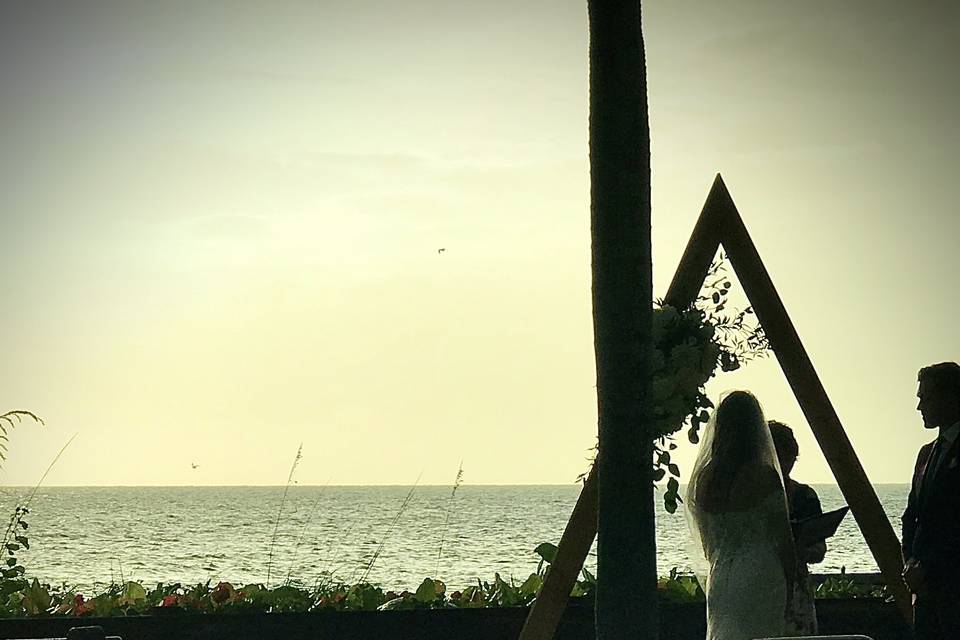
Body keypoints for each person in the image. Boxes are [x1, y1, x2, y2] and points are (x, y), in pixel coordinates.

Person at [685, 391, 797, 640]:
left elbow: (707, 544)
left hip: (720, 576)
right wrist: (792, 585)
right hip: (761, 573)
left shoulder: (705, 479)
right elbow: (783, 541)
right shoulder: (764, 477)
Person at [902, 361, 960, 639]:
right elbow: (911, 515)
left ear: (951, 397)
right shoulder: (926, 454)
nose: (919, 407)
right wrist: (910, 562)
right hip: (927, 590)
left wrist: (929, 567)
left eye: (926, 398)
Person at [769, 420, 826, 635]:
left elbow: (819, 549)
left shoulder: (805, 496)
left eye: (791, 459)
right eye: (782, 458)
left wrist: (800, 551)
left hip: (795, 586)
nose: (786, 466)